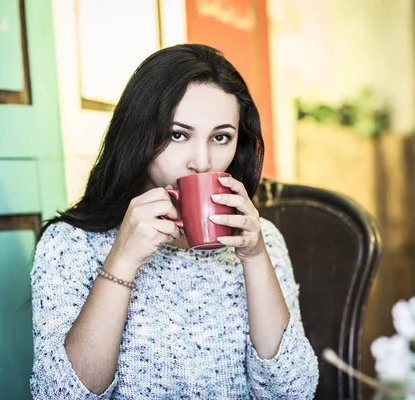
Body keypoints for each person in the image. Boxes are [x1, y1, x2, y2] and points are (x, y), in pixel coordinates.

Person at [29, 43, 319, 399]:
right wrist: (122, 259)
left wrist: (256, 257)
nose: (202, 161)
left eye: (221, 137)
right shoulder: (69, 244)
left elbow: (293, 393)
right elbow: (60, 395)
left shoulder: (262, 241)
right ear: (138, 134)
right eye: (178, 134)